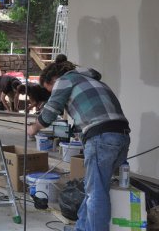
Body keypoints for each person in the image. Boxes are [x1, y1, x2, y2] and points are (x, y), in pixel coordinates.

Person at [27, 55, 130, 231]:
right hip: (121, 136)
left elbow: (51, 110)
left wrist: (34, 127)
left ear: (53, 79)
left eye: (50, 89)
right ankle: (82, 228)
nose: (52, 93)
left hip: (102, 137)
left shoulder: (65, 80)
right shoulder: (92, 81)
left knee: (96, 192)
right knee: (95, 188)